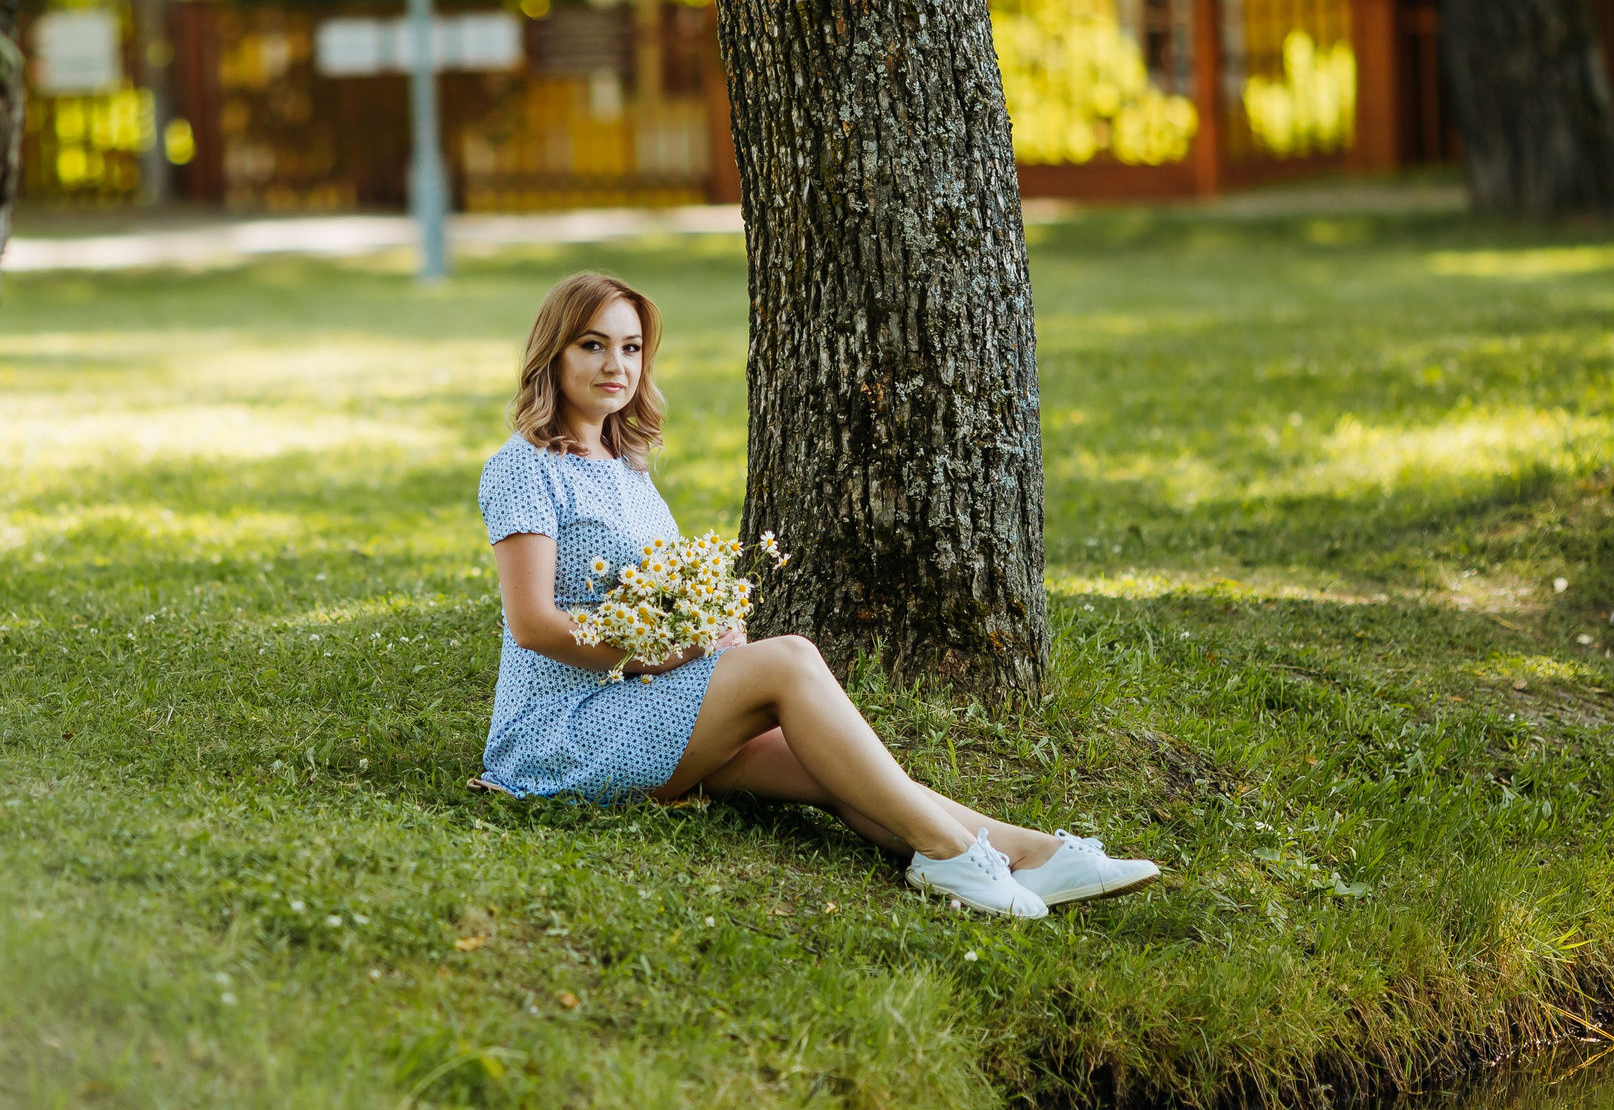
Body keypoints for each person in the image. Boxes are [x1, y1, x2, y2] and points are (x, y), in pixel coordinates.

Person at [477, 272, 1158, 920]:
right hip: (558, 730)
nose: (615, 364)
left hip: (637, 702)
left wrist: (711, 630)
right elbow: (535, 624)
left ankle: (1030, 854)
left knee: (827, 763)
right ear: (553, 353)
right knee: (791, 659)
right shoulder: (524, 467)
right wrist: (665, 654)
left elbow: (659, 596)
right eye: (592, 344)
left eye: (630, 347)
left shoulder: (628, 469)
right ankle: (951, 855)